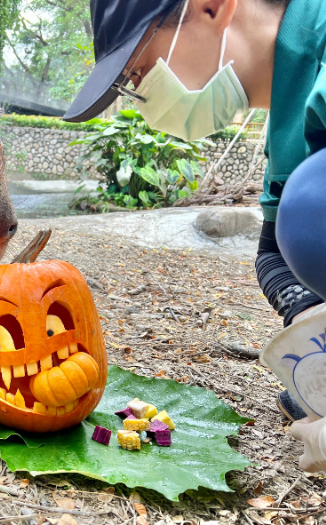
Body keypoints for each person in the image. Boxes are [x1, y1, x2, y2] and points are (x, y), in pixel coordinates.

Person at [63, 0, 326, 470]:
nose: (143, 102)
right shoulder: (288, 118)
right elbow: (275, 254)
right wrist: (309, 322)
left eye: (140, 73)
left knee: (308, 205)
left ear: (211, 7)